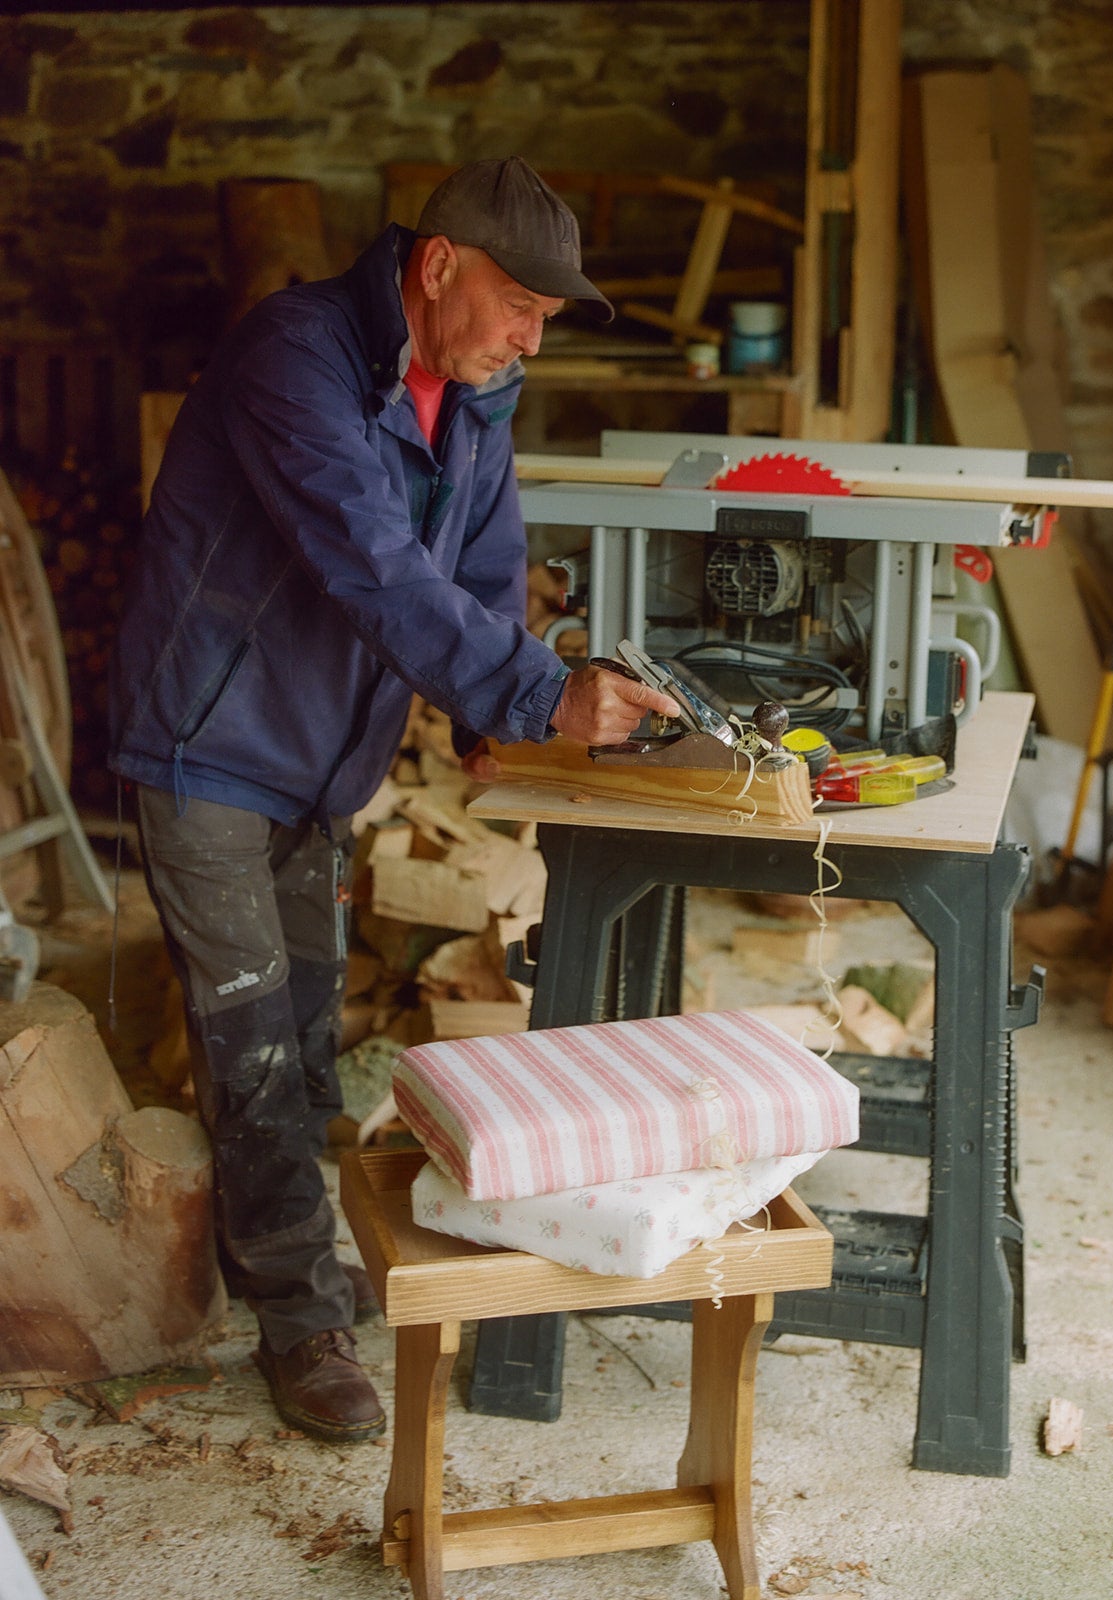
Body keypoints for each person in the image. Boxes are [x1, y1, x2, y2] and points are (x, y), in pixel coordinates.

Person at [108, 157, 678, 1444]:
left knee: (309, 1029)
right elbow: (370, 563)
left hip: (319, 757)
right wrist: (537, 694)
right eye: (521, 303)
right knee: (251, 1045)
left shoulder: (477, 392)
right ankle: (299, 1324)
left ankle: (282, 1267)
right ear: (436, 267)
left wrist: (487, 705)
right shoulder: (294, 357)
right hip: (209, 744)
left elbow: (480, 564)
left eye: (545, 315)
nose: (534, 334)